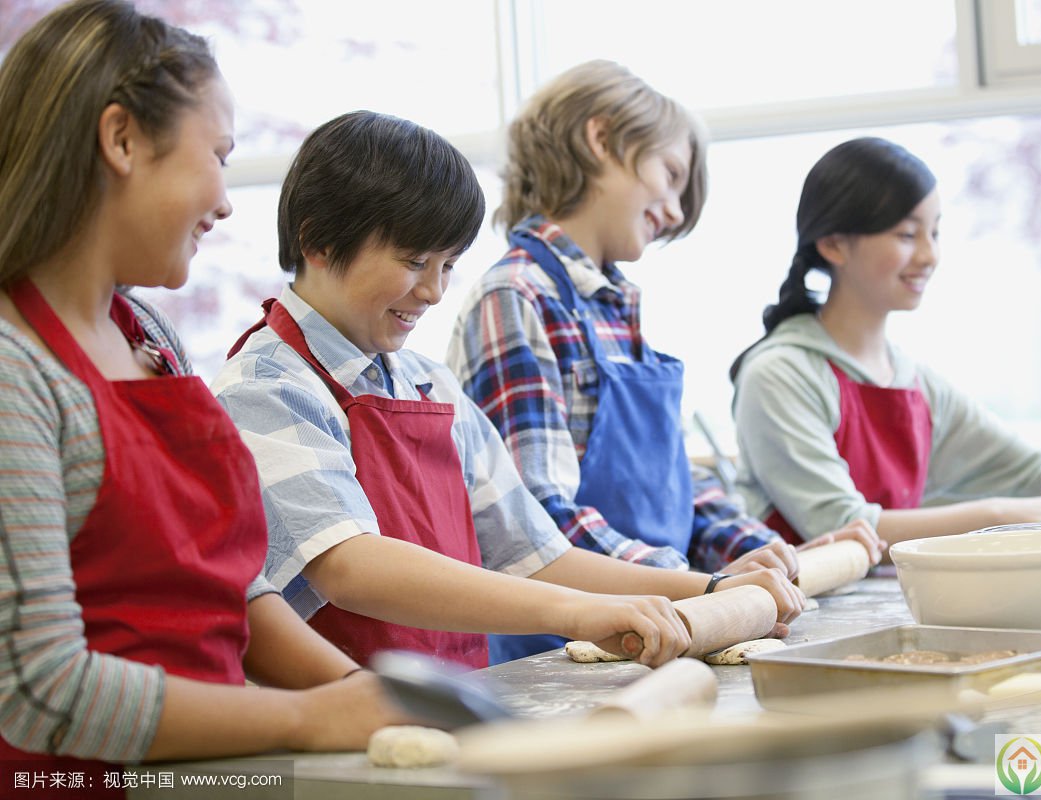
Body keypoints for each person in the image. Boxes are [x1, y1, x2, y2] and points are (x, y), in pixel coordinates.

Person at [212, 110, 806, 673]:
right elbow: (351, 566)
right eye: (415, 261)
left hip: (460, 695)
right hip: (338, 718)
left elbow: (537, 553)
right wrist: (579, 613)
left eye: (447, 267)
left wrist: (710, 588)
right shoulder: (267, 389)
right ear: (316, 242)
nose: (434, 292)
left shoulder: (428, 383)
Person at [0, 1, 410, 792]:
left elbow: (232, 587)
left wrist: (359, 693)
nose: (226, 202)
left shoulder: (147, 336)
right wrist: (309, 720)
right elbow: (37, 687)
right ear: (121, 139)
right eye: (218, 155)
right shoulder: (17, 369)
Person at [446, 59, 883, 665]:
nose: (676, 213)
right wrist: (699, 585)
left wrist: (773, 555)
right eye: (670, 174)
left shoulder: (614, 308)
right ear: (600, 140)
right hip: (564, 650)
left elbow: (677, 490)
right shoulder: (516, 298)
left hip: (667, 626)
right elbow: (537, 523)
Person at [728, 136, 1041, 553]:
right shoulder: (779, 374)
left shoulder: (914, 383)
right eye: (906, 234)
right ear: (833, 244)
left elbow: (1026, 467)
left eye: (934, 233)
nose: (929, 255)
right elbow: (841, 524)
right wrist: (997, 516)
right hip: (787, 618)